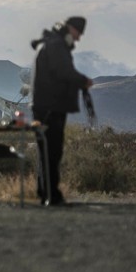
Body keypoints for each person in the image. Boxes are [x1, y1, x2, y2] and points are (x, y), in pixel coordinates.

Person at [30, 16, 94, 206]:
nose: (78, 38)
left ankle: (46, 192)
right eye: (78, 33)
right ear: (70, 29)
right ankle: (52, 195)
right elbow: (63, 71)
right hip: (51, 107)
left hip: (44, 106)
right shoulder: (56, 46)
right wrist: (83, 81)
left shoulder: (50, 43)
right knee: (52, 151)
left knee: (46, 151)